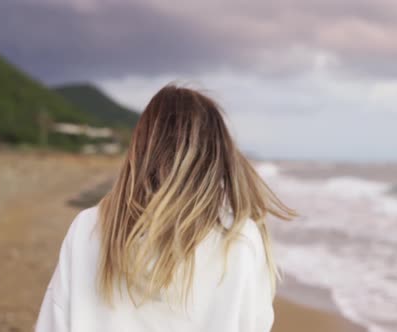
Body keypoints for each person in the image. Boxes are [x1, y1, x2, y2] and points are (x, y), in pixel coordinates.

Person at [34, 84, 296, 332]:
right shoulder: (240, 240)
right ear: (218, 157)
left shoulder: (89, 228)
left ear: (140, 150)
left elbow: (53, 324)